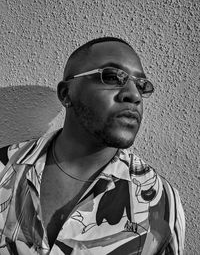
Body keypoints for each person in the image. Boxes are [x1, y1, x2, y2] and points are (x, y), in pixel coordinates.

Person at [0, 37, 185, 255]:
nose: (134, 95)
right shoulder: (3, 168)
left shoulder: (161, 202)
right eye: (112, 77)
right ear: (66, 94)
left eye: (141, 85)